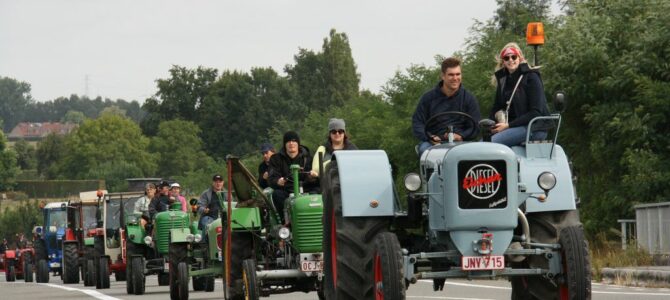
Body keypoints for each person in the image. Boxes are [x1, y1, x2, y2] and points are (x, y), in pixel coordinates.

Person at [412, 57, 481, 155]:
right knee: (425, 151)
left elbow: (476, 126)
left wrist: (461, 136)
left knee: (479, 152)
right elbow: (417, 123)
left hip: (462, 142)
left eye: (458, 74)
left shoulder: (468, 98)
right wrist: (430, 137)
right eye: (451, 75)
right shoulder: (428, 98)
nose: (455, 78)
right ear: (443, 76)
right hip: (433, 143)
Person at [489, 43, 550, 146]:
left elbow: (536, 112)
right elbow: (496, 107)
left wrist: (508, 126)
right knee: (482, 142)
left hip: (534, 128)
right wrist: (491, 125)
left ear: (520, 57)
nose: (510, 60)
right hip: (511, 127)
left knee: (490, 144)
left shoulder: (532, 77)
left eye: (514, 56)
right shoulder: (503, 81)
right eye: (506, 58)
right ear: (503, 61)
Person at [268, 131, 314, 224]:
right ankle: (286, 223)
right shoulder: (276, 159)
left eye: (294, 141)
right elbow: (271, 178)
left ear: (298, 143)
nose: (291, 143)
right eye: (288, 141)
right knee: (276, 194)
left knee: (318, 192)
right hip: (286, 190)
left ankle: (314, 220)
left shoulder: (308, 158)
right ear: (285, 144)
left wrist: (311, 177)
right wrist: (278, 181)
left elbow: (316, 178)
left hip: (305, 189)